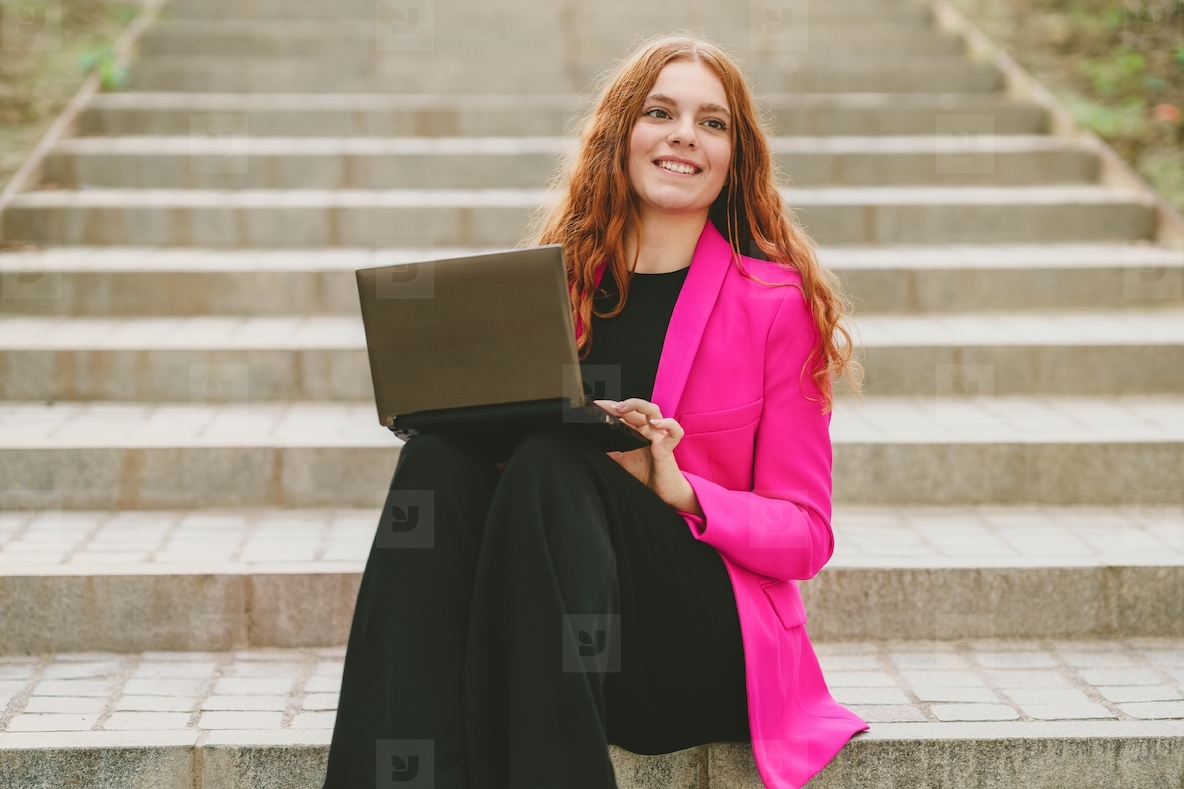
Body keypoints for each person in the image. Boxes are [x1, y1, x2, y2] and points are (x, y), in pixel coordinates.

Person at [322, 33, 869, 789]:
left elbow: (807, 534)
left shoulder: (775, 306)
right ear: (622, 135)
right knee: (437, 458)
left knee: (557, 460)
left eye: (713, 123)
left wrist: (673, 485)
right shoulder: (560, 288)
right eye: (661, 112)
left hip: (694, 637)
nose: (684, 134)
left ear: (736, 158)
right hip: (553, 623)